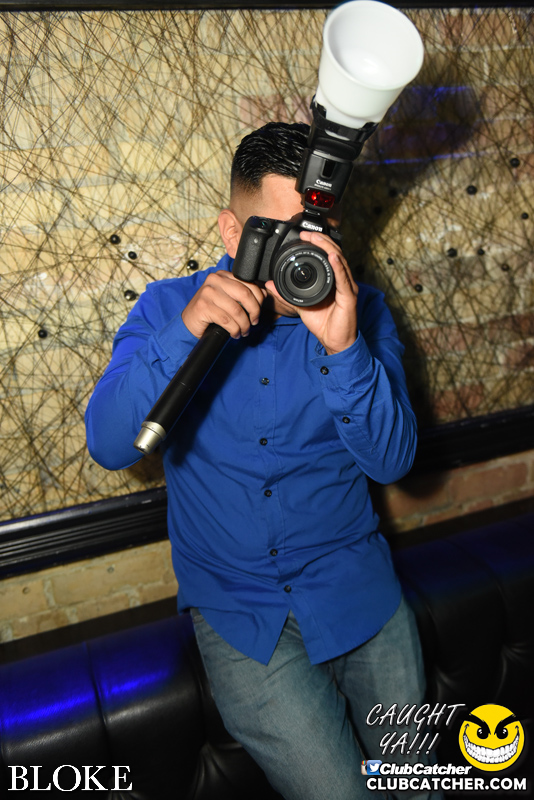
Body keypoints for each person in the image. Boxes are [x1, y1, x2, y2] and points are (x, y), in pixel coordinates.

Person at [86, 122, 439, 800]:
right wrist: (185, 331)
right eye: (276, 235)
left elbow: (393, 462)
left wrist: (345, 351)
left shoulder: (364, 313)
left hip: (359, 594)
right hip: (241, 614)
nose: (297, 256)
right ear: (232, 232)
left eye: (315, 233)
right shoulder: (168, 308)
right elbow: (108, 443)